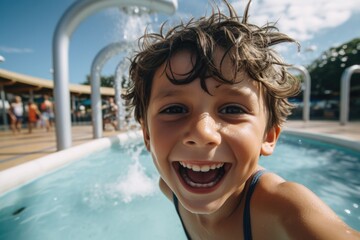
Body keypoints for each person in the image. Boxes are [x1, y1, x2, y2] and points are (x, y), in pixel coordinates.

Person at [122, 0, 360, 239]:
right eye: (174, 109)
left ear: (268, 136)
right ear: (147, 135)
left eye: (232, 109)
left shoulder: (286, 210)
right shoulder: (169, 189)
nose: (202, 133)